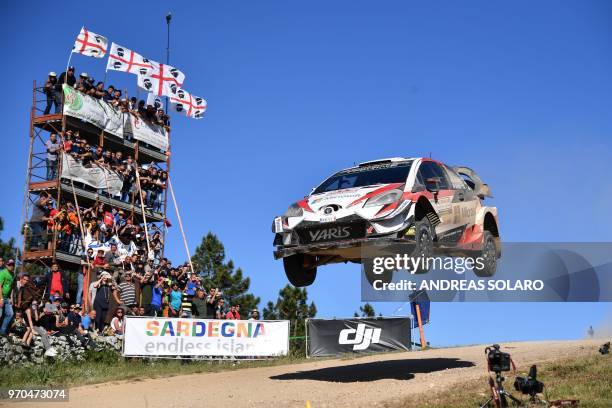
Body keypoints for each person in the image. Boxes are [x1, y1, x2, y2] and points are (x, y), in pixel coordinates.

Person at [0, 259, 16, 335]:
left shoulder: (13, 274)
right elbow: (0, 286)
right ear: (6, 265)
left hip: (7, 298)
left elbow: (12, 287)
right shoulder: (3, 272)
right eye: (9, 264)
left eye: (12, 264)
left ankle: (2, 332)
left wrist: (11, 298)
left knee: (10, 314)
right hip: (1, 297)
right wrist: (1, 299)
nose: (11, 266)